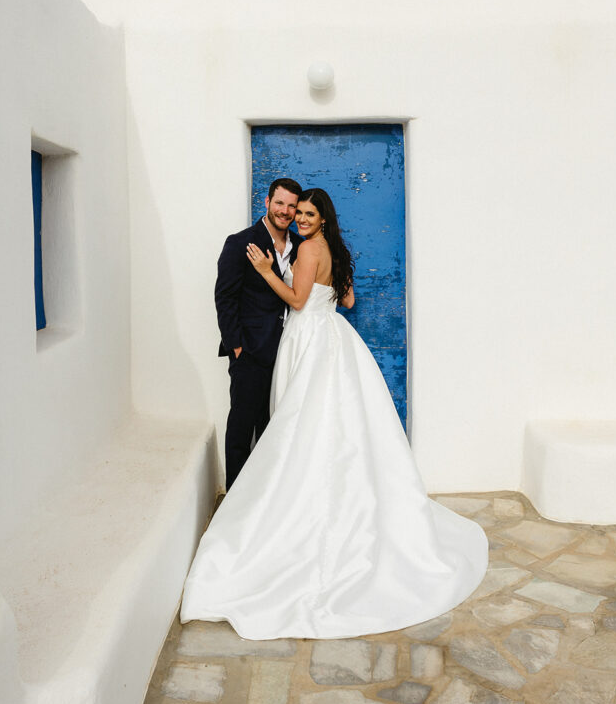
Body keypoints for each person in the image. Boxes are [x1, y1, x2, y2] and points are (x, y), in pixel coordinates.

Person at [181, 188, 488, 639]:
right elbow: (345, 302)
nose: (300, 218)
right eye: (296, 211)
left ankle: (284, 506)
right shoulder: (336, 251)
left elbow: (299, 300)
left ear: (321, 219)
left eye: (308, 213)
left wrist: (267, 271)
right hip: (333, 338)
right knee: (328, 422)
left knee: (300, 423)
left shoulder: (307, 248)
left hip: (306, 337)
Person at [214, 177, 303, 491]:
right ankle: (234, 505)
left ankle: (266, 499)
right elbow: (224, 297)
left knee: (275, 426)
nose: (285, 211)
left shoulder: (300, 246)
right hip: (250, 351)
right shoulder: (240, 243)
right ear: (267, 203)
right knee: (242, 427)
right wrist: (237, 345)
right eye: (280, 203)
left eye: (292, 206)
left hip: (288, 351)